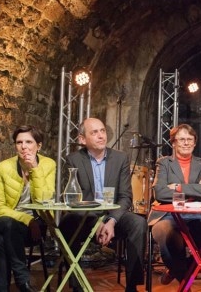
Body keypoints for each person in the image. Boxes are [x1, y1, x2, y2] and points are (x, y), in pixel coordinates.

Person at [58, 117, 146, 292]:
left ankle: (132, 286)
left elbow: (125, 196)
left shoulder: (120, 158)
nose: (100, 136)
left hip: (113, 214)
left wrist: (111, 221)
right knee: (66, 223)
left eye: (103, 131)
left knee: (139, 223)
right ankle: (76, 284)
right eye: (94, 132)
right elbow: (72, 199)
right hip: (85, 216)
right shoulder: (73, 160)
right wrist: (97, 223)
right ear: (82, 139)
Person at [0, 125, 56, 292]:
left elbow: (44, 200)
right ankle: (23, 279)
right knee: (7, 224)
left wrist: (35, 169)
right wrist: (27, 220)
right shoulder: (4, 167)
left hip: (31, 228)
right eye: (19, 142)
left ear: (39, 145)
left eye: (29, 142)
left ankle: (3, 289)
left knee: (1, 240)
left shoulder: (48, 165)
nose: (24, 146)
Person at [148, 124, 201, 286]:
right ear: (173, 143)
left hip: (197, 214)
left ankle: (175, 271)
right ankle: (185, 285)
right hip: (168, 214)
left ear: (195, 143)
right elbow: (160, 193)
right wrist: (196, 189)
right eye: (182, 139)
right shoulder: (164, 163)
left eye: (190, 139)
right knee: (170, 239)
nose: (186, 143)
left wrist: (177, 187)